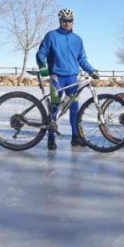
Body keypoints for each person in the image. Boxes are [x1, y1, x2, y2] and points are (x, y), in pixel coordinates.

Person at [36, 8, 99, 150]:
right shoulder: (51, 36)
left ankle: (75, 138)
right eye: (64, 20)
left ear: (73, 21)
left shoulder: (77, 39)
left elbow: (82, 59)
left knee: (74, 109)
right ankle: (51, 138)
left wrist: (92, 70)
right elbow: (42, 52)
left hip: (72, 78)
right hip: (57, 77)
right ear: (60, 21)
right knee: (55, 107)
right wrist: (42, 65)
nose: (67, 23)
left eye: (70, 20)